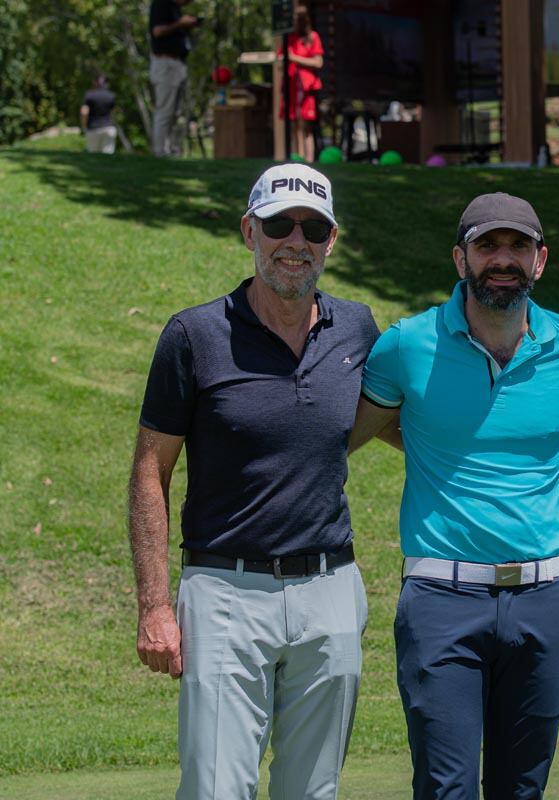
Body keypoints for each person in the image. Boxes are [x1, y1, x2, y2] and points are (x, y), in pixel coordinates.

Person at [350, 192, 559, 800]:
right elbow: (338, 440)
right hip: (440, 599)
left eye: (518, 246)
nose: (503, 259)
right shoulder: (405, 346)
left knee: (522, 789)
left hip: (546, 598)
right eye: (487, 246)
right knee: (445, 789)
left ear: (540, 260)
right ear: (460, 257)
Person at [128, 163, 381, 799]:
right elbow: (149, 472)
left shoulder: (358, 329)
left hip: (330, 591)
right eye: (279, 224)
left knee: (312, 791)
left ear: (332, 240)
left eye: (313, 228)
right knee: (216, 789)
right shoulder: (193, 336)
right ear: (249, 231)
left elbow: (423, 417)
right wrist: (156, 605)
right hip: (223, 592)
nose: (296, 241)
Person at [148, 0, 198, 157]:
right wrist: (179, 24)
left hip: (177, 63)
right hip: (165, 64)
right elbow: (157, 31)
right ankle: (159, 150)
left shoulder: (176, 8)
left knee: (176, 112)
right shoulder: (160, 4)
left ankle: (171, 149)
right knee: (164, 110)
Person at [277, 4, 324, 163]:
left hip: (305, 87)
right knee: (293, 124)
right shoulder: (289, 38)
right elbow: (280, 59)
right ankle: (296, 159)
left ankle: (308, 161)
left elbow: (318, 63)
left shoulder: (313, 37)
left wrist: (294, 58)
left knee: (305, 126)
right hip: (291, 86)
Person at [80, 73, 118, 154]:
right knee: (108, 158)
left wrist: (83, 126)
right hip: (109, 128)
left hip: (93, 128)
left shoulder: (89, 95)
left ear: (94, 82)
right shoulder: (111, 96)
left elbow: (84, 112)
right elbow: (114, 113)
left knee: (93, 158)